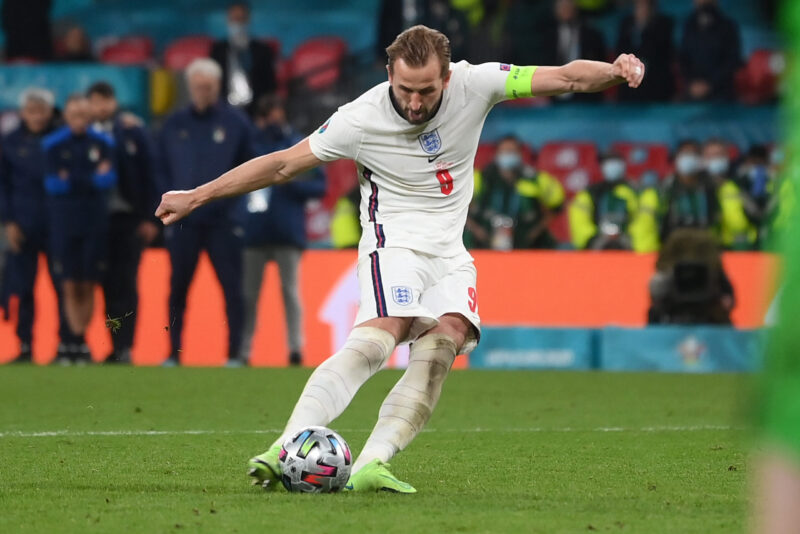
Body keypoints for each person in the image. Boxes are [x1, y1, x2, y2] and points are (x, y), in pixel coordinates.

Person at [156, 25, 645, 491]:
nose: (414, 102)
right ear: (389, 73)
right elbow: (283, 164)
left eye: (426, 91)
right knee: (383, 333)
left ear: (446, 78)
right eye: (405, 89)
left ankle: (372, 463)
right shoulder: (359, 118)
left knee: (447, 339)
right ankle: (282, 448)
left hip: (449, 250)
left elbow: (566, 77)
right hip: (392, 242)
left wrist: (615, 70)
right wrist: (197, 195)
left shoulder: (477, 83)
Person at [155, 58, 257, 367]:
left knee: (232, 289)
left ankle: (234, 354)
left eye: (208, 87)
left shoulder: (236, 123)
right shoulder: (173, 124)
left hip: (223, 221)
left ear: (218, 86)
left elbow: (252, 168)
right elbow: (159, 169)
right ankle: (173, 352)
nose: (203, 92)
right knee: (177, 288)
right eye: (198, 86)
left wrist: (235, 209)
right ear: (189, 86)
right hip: (183, 222)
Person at [241, 96, 326, 366]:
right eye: (268, 113)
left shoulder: (297, 144)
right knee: (249, 296)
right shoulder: (251, 144)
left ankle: (295, 348)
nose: (272, 119)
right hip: (255, 231)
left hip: (287, 231)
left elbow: (319, 185)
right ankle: (243, 350)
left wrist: (289, 183)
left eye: (275, 112)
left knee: (290, 292)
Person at [87, 81, 159, 364]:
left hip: (127, 219)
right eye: (96, 100)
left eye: (106, 100)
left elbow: (150, 174)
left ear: (114, 102)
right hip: (93, 222)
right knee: (101, 283)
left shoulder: (132, 132)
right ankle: (100, 344)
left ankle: (124, 346)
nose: (102, 106)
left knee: (125, 283)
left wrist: (150, 217)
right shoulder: (82, 134)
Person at [42, 94, 116, 364]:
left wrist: (72, 178)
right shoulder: (52, 144)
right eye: (75, 115)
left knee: (88, 283)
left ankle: (81, 340)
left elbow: (108, 179)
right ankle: (73, 340)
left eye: (84, 116)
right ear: (66, 116)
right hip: (64, 222)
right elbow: (53, 185)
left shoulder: (104, 142)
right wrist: (89, 178)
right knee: (69, 283)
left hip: (94, 222)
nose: (79, 121)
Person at [0, 88, 56, 363]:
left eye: (41, 111)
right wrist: (8, 222)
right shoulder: (9, 142)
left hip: (57, 224)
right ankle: (24, 344)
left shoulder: (61, 137)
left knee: (63, 286)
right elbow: (3, 186)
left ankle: (68, 343)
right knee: (23, 288)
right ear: (23, 113)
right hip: (22, 225)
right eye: (32, 111)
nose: (37, 116)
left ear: (50, 112)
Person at [466, 135, 564, 250]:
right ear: (496, 154)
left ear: (520, 154)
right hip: (484, 244)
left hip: (527, 245)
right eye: (504, 151)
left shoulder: (535, 179)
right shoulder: (480, 178)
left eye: (512, 151)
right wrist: (476, 229)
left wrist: (535, 232)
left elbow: (556, 206)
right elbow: (457, 206)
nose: (508, 155)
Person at [210, 1, 277, 112]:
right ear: (228, 20)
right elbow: (212, 82)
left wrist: (265, 111)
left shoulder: (262, 50)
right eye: (234, 20)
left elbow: (270, 86)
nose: (238, 24)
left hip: (256, 109)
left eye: (241, 19)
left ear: (248, 20)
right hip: (224, 109)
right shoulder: (218, 50)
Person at [540, 0, 608, 102]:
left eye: (568, 6)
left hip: (586, 96)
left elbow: (601, 63)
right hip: (554, 95)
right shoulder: (547, 35)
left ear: (575, 8)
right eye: (562, 7)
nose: (565, 10)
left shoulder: (592, 34)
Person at [569, 152, 639, 250]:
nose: (612, 166)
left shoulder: (634, 192)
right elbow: (579, 221)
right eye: (608, 162)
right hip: (596, 246)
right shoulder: (590, 193)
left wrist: (631, 240)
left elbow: (641, 221)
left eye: (615, 161)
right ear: (602, 167)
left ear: (623, 165)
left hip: (629, 246)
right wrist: (592, 240)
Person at [679, 0, 741, 101]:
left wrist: (710, 84)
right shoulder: (689, 25)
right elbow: (683, 58)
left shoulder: (728, 26)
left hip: (721, 93)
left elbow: (732, 61)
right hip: (693, 92)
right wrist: (692, 83)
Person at [702, 138, 758, 250]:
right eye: (710, 156)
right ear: (703, 159)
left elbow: (757, 214)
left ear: (727, 157)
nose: (715, 159)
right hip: (708, 249)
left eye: (719, 155)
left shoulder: (742, 183)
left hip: (741, 247)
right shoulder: (698, 187)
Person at [659, 140, 720, 244]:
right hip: (673, 245)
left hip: (704, 244)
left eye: (693, 154)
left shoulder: (711, 188)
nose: (689, 158)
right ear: (676, 158)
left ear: (700, 159)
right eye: (685, 154)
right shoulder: (665, 188)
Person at [615, 0, 674, 102]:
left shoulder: (663, 25)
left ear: (652, 8)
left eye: (645, 6)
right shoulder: (626, 24)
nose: (641, 10)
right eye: (638, 6)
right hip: (629, 87)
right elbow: (620, 51)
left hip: (655, 85)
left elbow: (662, 55)